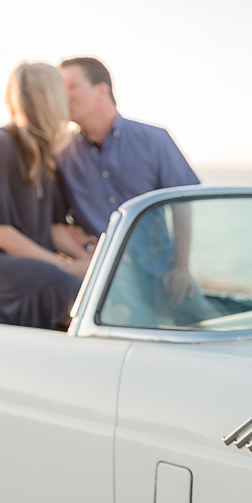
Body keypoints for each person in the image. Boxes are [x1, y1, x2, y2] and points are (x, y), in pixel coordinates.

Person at [57, 57, 216, 327]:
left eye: (70, 86)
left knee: (213, 326)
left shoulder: (155, 139)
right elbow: (58, 223)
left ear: (101, 90)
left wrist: (181, 267)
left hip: (162, 271)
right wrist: (86, 254)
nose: (62, 95)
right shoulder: (60, 154)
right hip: (104, 277)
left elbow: (182, 204)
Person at [0, 62, 92, 329]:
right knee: (76, 291)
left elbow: (54, 227)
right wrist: (64, 266)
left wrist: (87, 258)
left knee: (95, 283)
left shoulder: (48, 154)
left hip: (37, 264)